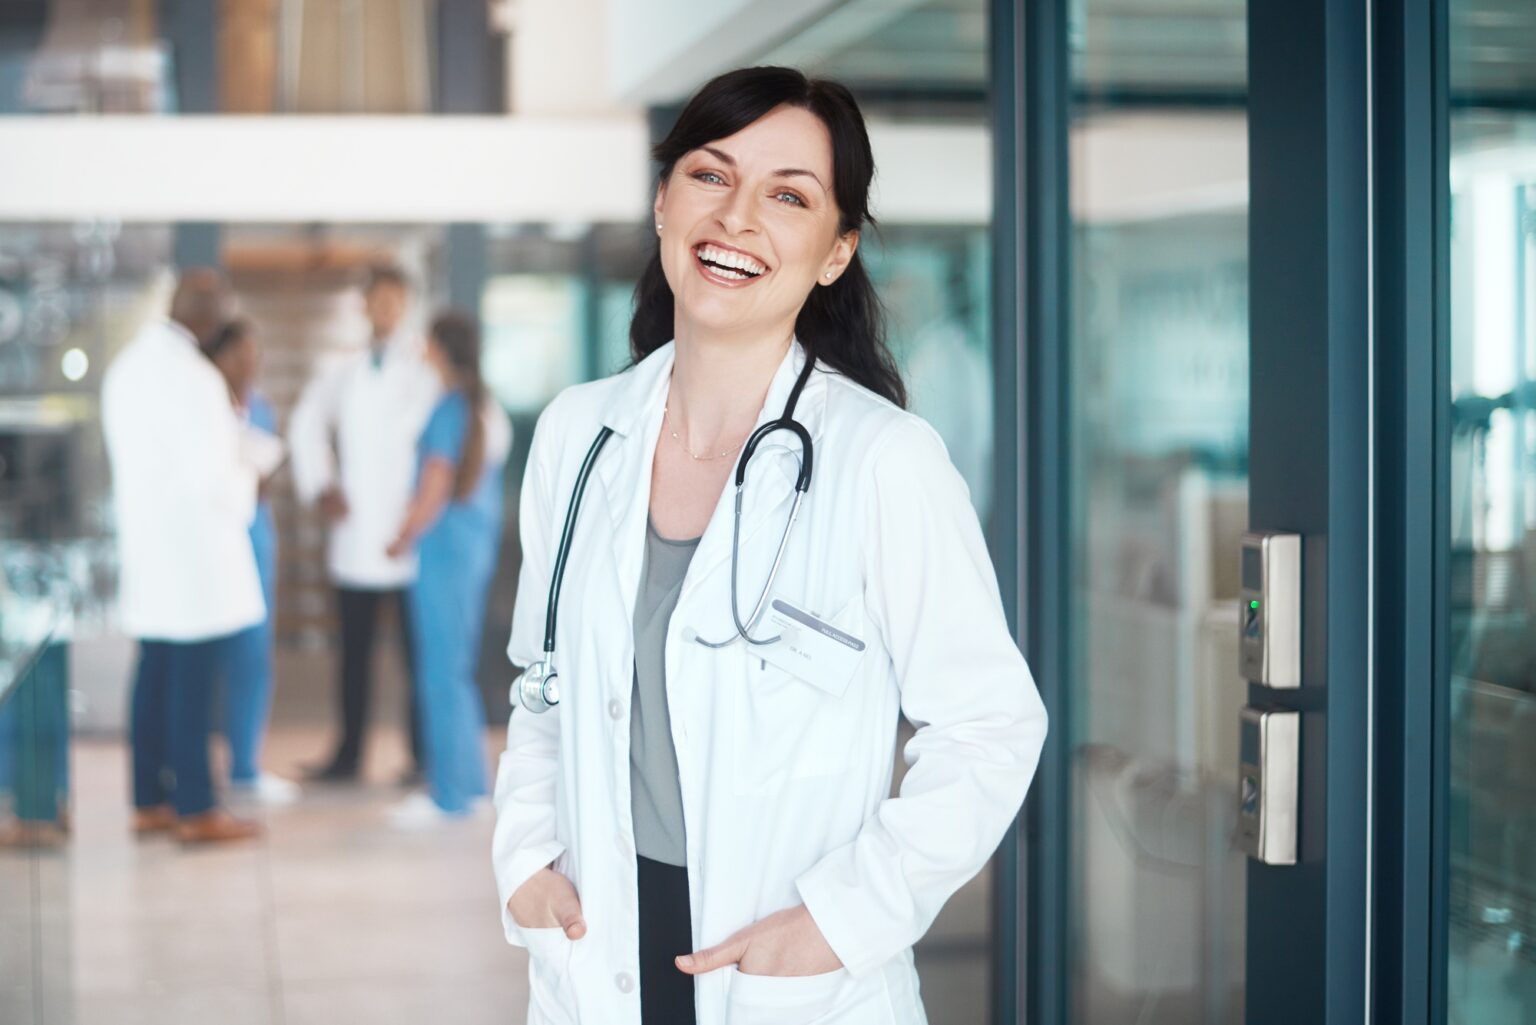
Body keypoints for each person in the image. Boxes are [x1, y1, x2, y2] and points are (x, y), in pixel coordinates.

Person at [491, 67, 1048, 1025]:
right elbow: (541, 683)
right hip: (597, 941)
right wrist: (525, 857)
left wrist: (842, 920)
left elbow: (991, 728)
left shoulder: (885, 461)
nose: (737, 216)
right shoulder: (577, 437)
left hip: (785, 967)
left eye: (788, 195)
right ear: (664, 202)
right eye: (711, 176)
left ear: (836, 251)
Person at [101, 269, 264, 844]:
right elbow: (215, 478)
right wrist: (252, 477)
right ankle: (196, 809)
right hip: (195, 557)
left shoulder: (125, 368)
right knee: (193, 684)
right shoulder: (195, 377)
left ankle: (150, 801)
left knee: (154, 676)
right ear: (211, 316)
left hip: (149, 551)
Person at [288, 263, 439, 783]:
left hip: (405, 535)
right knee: (352, 654)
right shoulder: (344, 369)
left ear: (406, 305)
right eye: (378, 300)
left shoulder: (424, 367)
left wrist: (425, 504)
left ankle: (423, 757)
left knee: (415, 657)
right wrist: (322, 485)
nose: (386, 310)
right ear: (365, 305)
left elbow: (449, 438)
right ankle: (348, 755)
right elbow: (306, 423)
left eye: (396, 301)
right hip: (355, 534)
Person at [384, 311, 511, 827]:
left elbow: (435, 483)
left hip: (442, 553)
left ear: (440, 349)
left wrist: (402, 534)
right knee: (456, 669)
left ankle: (449, 797)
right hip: (468, 551)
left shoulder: (447, 410)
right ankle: (472, 785)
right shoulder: (476, 407)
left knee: (440, 671)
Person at [200, 318, 300, 805]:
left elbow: (265, 477)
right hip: (212, 540)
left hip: (255, 537)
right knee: (203, 658)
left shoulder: (260, 407)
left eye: (254, 357)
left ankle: (244, 764)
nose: (248, 366)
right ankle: (194, 765)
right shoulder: (200, 406)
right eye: (239, 356)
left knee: (252, 657)